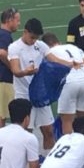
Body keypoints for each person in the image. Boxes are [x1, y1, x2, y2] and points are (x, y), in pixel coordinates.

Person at [8, 18, 54, 155]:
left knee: (48, 131)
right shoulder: (14, 47)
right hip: (24, 96)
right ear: (25, 32)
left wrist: (69, 64)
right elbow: (15, 71)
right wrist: (25, 72)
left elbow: (54, 60)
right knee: (25, 133)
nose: (34, 40)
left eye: (36, 38)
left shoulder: (41, 46)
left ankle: (48, 161)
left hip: (40, 95)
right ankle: (23, 164)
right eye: (32, 37)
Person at [43, 32, 84, 135]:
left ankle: (69, 147)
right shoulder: (75, 48)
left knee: (67, 121)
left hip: (68, 83)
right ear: (58, 42)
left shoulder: (49, 52)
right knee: (83, 121)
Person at [0, 7, 21, 129]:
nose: (19, 23)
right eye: (17, 20)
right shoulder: (5, 36)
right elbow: (1, 52)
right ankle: (0, 139)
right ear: (9, 20)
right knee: (2, 114)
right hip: (3, 77)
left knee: (1, 112)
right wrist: (12, 67)